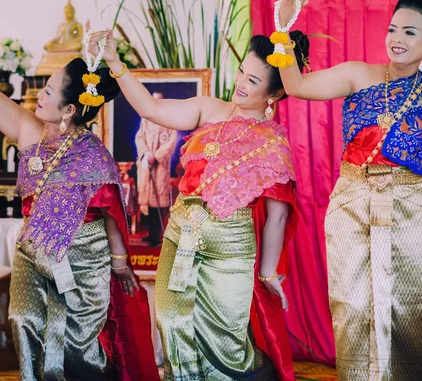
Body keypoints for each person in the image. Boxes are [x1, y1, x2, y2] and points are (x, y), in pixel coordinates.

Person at [275, 0, 422, 380]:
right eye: (393, 29)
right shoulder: (357, 75)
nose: (397, 39)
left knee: (410, 309)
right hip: (351, 201)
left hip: (408, 206)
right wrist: (282, 28)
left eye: (410, 32)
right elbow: (296, 87)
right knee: (352, 306)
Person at [87, 23, 308, 380]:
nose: (240, 82)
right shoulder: (209, 108)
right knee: (172, 321)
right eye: (241, 72)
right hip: (181, 238)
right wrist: (115, 62)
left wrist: (268, 273)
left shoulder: (274, 144)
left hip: (231, 253)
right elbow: (149, 109)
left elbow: (279, 215)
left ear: (275, 94)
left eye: (253, 81)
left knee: (225, 347)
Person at [2, 57, 159, 380]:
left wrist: (119, 263)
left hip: (83, 261)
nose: (38, 97)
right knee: (22, 320)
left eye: (47, 91)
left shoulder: (93, 155)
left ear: (70, 109)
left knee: (72, 345)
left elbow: (112, 213)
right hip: (32, 253)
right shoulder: (30, 131)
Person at [135, 91, 177, 247]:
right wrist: (146, 153)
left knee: (159, 201)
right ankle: (150, 233)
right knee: (149, 203)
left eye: (158, 100)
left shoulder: (169, 121)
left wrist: (157, 156)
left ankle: (157, 235)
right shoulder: (145, 120)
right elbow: (139, 137)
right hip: (147, 164)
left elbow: (172, 142)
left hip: (160, 167)